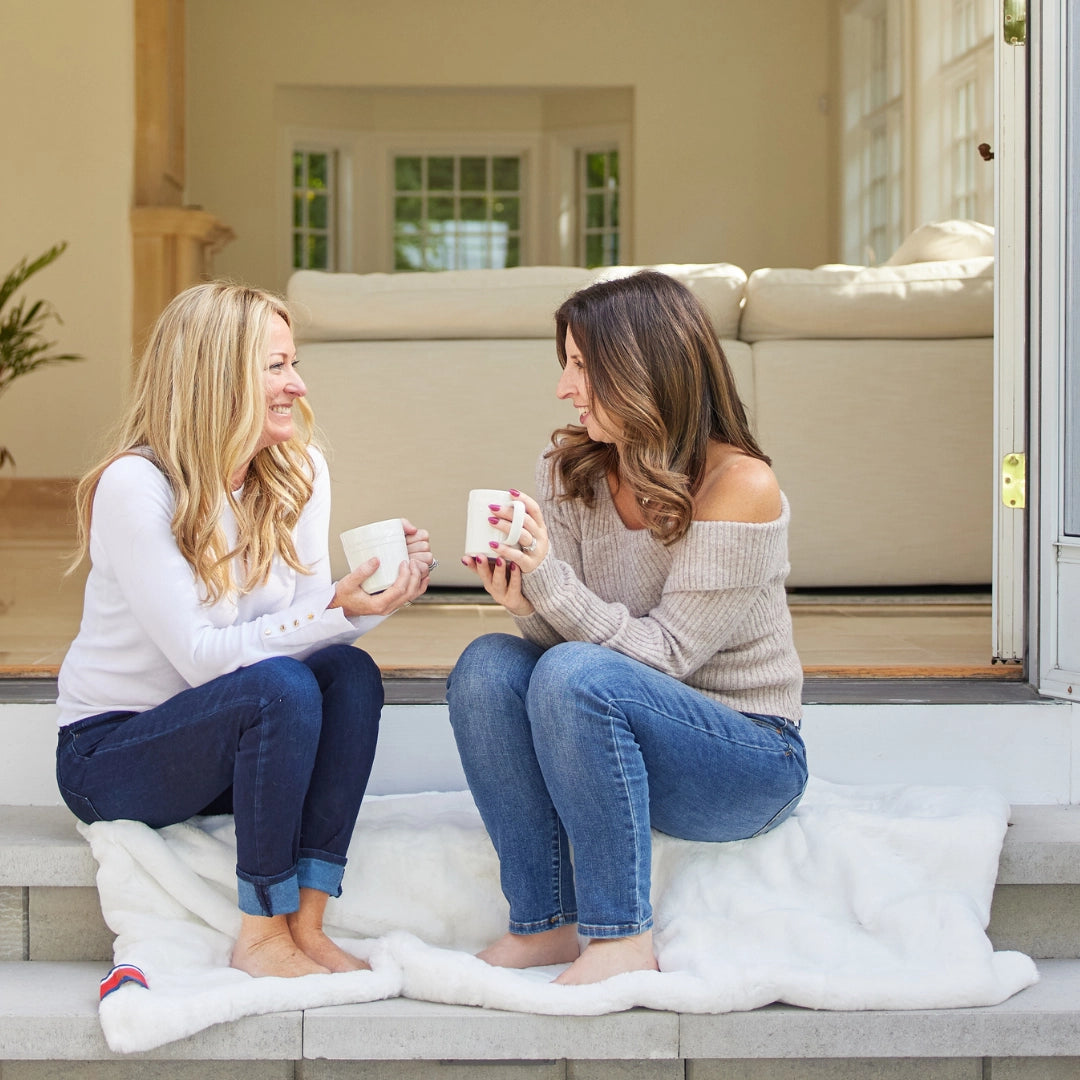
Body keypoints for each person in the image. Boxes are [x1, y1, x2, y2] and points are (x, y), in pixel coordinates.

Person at [56, 282, 435, 979]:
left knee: (347, 674)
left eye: (293, 364)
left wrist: (370, 602)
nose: (297, 383)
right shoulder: (136, 485)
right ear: (218, 374)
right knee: (280, 687)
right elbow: (206, 661)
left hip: (237, 744)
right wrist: (333, 611)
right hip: (113, 753)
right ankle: (259, 934)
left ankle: (307, 922)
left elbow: (307, 629)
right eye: (277, 366)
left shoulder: (298, 470)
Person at [447, 270, 807, 986]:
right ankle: (545, 924)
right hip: (623, 726)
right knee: (487, 664)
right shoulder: (574, 469)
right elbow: (570, 667)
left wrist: (550, 583)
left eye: (581, 366)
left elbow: (664, 659)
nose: (564, 388)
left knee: (575, 674)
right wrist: (524, 602)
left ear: (641, 370)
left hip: (744, 756)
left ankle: (620, 938)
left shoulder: (739, 485)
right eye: (567, 365)